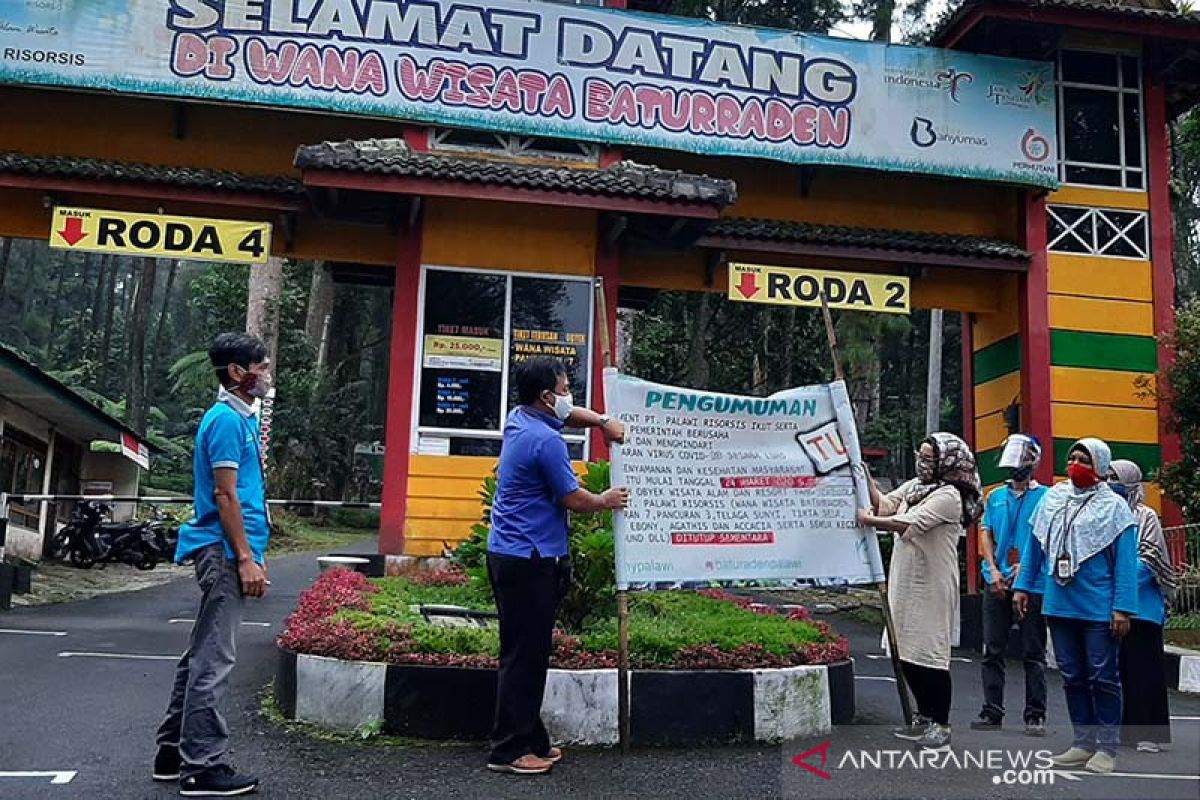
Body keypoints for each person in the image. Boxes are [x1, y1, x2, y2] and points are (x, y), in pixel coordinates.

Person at [486, 357, 629, 775]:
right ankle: (508, 751)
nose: (570, 398)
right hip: (528, 561)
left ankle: (532, 739)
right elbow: (570, 496)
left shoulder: (522, 419)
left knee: (526, 652)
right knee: (524, 657)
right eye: (565, 390)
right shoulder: (544, 442)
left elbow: (572, 416)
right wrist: (605, 501)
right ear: (547, 397)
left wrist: (603, 420)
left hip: (514, 555)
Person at [152, 333, 273, 797]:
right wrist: (245, 558)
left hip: (226, 550)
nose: (266, 374)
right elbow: (225, 495)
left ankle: (171, 752)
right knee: (215, 659)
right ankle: (202, 766)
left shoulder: (238, 418)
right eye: (260, 366)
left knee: (202, 651)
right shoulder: (225, 420)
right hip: (223, 552)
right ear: (239, 374)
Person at [1014, 438, 1137, 775]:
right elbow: (1034, 548)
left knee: (1103, 676)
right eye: (1072, 457)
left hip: (1099, 606)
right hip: (1059, 601)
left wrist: (1123, 608)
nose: (1076, 463)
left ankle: (1107, 749)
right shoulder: (1053, 499)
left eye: (1084, 459)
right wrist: (1023, 586)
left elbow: (1126, 562)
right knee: (1071, 676)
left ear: (1100, 465)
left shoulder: (1115, 507)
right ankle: (1082, 743)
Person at [859, 432, 982, 752]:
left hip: (932, 583)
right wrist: (863, 477)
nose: (922, 462)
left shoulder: (950, 496)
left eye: (929, 457)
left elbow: (906, 522)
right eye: (921, 455)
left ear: (947, 462)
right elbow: (886, 505)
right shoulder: (915, 487)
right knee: (905, 652)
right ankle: (924, 717)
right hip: (904, 579)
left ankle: (941, 723)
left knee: (930, 655)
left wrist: (866, 521)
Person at [971, 434, 1049, 736]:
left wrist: (1024, 570)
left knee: (1033, 651)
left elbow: (1047, 539)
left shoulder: (1047, 497)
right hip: (997, 580)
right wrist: (991, 567)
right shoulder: (995, 497)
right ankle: (992, 711)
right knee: (992, 648)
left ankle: (1035, 714)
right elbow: (986, 532)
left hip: (1033, 583)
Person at [1109, 459, 1177, 753]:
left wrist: (1115, 586)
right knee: (1118, 671)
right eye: (1107, 475)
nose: (1109, 481)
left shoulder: (1145, 516)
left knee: (1144, 671)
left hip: (1143, 607)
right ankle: (1124, 731)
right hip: (1112, 604)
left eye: (1115, 477)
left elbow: (1147, 561)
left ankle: (1149, 733)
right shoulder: (1106, 514)